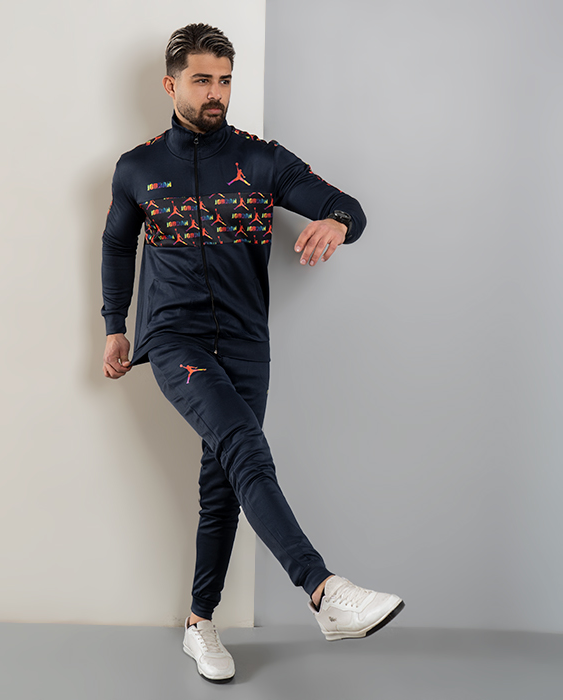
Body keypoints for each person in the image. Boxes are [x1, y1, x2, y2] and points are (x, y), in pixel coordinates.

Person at [101, 23, 404, 683]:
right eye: (202, 80)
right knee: (244, 445)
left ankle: (199, 624)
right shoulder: (137, 168)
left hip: (246, 342)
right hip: (174, 337)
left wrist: (337, 223)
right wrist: (114, 325)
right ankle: (323, 590)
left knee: (224, 483)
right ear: (171, 85)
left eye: (225, 80)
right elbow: (118, 244)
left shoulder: (262, 160)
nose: (216, 93)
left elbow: (347, 205)